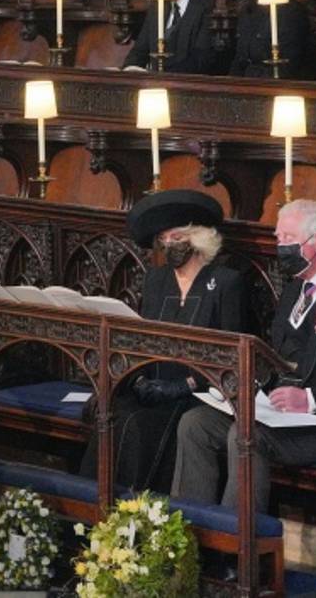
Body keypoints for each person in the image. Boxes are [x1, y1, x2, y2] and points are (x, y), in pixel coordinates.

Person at [172, 199, 316, 512]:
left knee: (244, 434)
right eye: (278, 239)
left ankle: (237, 545)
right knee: (195, 424)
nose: (280, 247)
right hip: (276, 412)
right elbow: (276, 356)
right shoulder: (293, 291)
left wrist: (311, 398)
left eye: (287, 239)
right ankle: (191, 538)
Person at [78, 189, 246, 494]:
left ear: (197, 238)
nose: (169, 245)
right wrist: (140, 377)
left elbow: (233, 354)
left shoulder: (225, 282)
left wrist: (188, 384)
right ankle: (95, 502)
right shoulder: (157, 280)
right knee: (114, 414)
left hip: (199, 392)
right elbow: (142, 340)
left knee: (143, 426)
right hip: (154, 386)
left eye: (176, 237)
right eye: (164, 239)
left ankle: (141, 508)